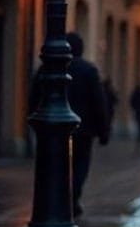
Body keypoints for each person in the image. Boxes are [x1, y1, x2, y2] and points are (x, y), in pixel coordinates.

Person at [29, 32, 109, 217]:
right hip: (83, 127)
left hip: (51, 128)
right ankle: (73, 196)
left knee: (55, 163)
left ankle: (58, 199)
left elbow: (34, 96)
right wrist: (103, 130)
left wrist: (34, 120)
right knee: (80, 163)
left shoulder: (46, 68)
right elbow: (99, 102)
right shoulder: (88, 70)